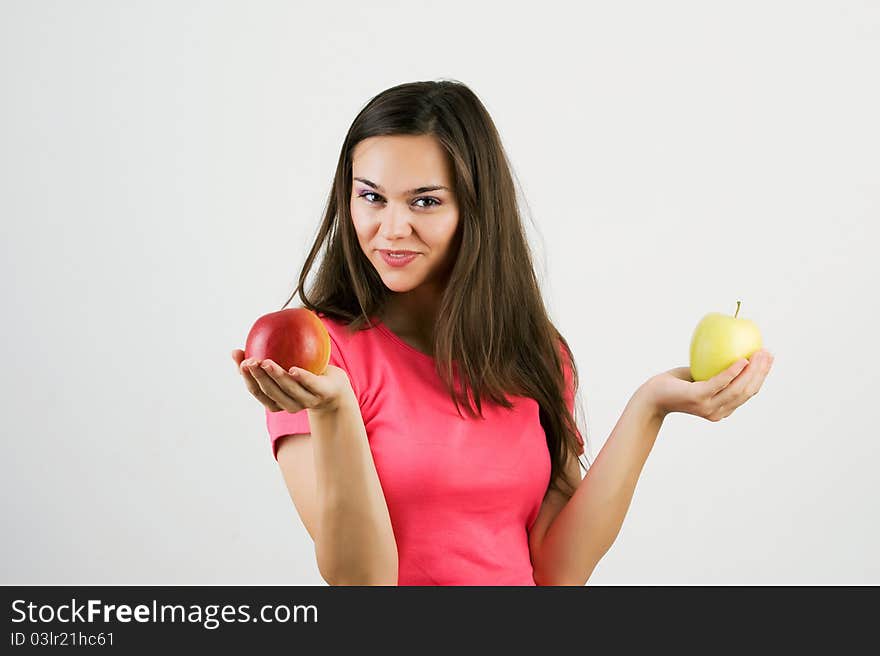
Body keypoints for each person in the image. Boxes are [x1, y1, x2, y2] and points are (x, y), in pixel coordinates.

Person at [231, 79, 774, 586]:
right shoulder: (318, 362)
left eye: (425, 201)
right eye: (371, 197)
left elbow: (558, 572)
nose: (392, 228)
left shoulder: (534, 352)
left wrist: (650, 406)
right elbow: (362, 583)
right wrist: (335, 411)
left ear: (476, 208)